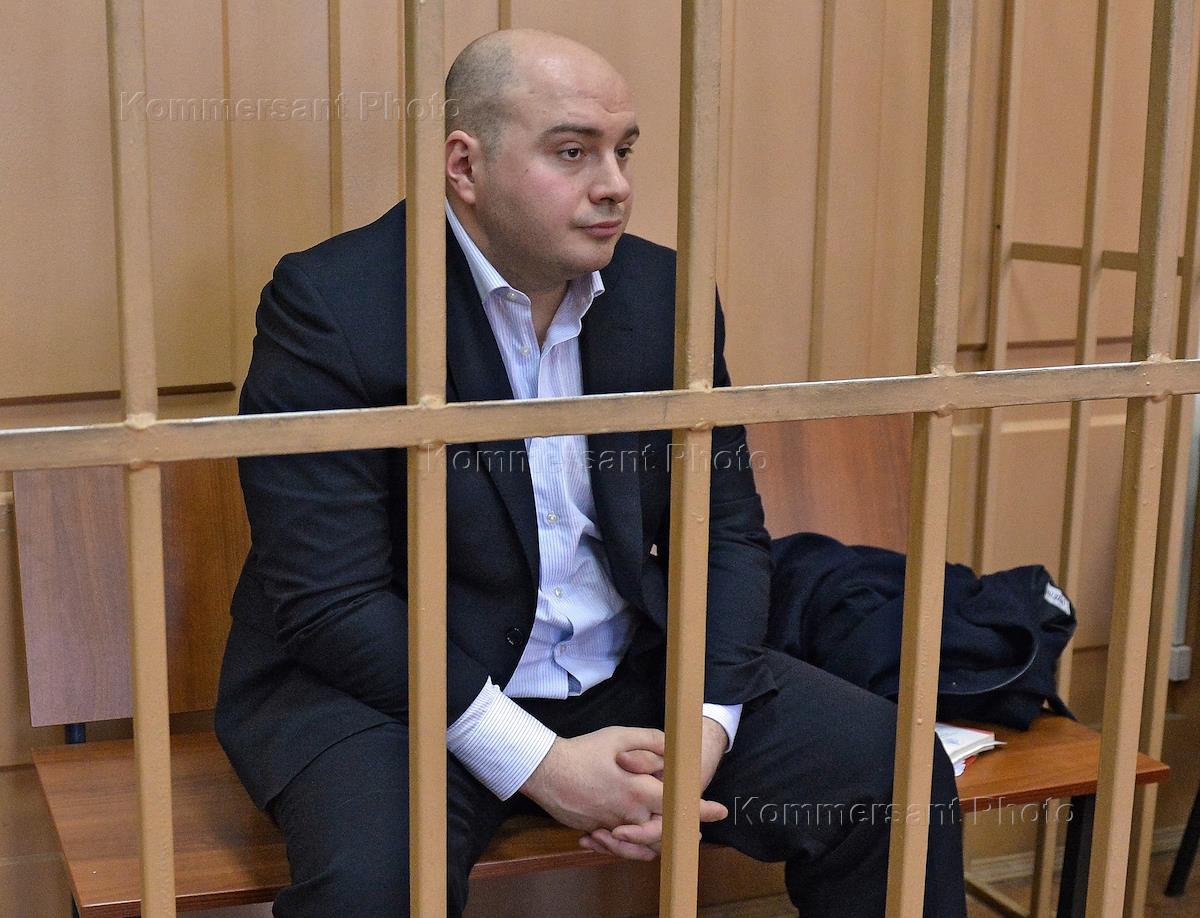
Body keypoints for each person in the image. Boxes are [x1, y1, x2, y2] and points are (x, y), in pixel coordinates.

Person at [215, 28, 967, 917]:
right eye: (572, 152)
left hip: (624, 668)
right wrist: (544, 765)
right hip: (395, 695)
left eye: (623, 150)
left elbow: (725, 532)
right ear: (465, 164)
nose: (614, 184)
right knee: (374, 888)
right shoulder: (336, 304)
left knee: (893, 773)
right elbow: (331, 600)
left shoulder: (662, 293)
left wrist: (703, 730)